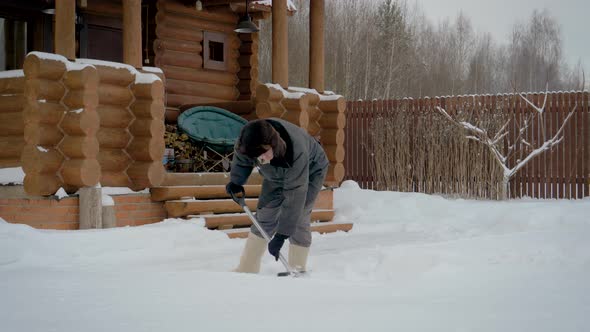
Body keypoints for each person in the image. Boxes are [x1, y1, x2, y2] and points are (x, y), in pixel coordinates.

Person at [225, 118, 329, 274]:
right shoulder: (247, 143)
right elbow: (241, 161)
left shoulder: (296, 150)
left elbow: (295, 196)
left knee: (299, 215)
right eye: (258, 157)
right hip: (275, 174)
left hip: (310, 170)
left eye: (264, 153)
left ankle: (297, 268)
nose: (262, 159)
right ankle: (247, 267)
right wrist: (236, 182)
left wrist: (281, 235)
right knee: (265, 213)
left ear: (273, 143)